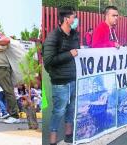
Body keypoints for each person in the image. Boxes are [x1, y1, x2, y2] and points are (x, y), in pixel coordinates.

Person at [43, 6, 80, 145]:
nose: (76, 20)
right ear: (66, 19)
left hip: (74, 79)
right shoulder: (53, 36)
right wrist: (69, 54)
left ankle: (69, 136)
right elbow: (49, 61)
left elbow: (78, 53)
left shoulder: (75, 34)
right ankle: (52, 140)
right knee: (58, 112)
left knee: (71, 109)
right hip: (60, 83)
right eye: (74, 17)